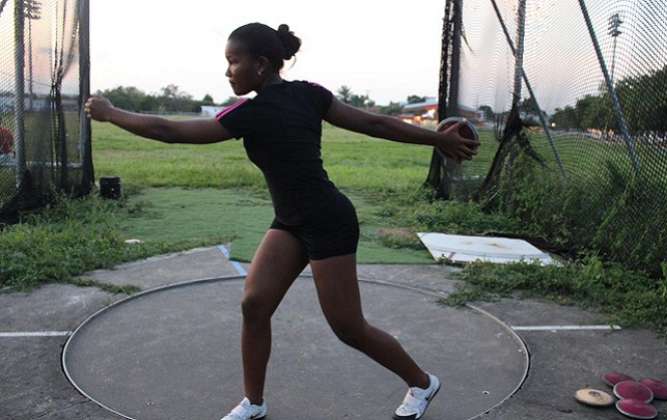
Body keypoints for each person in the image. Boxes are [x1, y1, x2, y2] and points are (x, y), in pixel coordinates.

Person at [85, 22, 479, 420]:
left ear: (260, 64)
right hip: (290, 222)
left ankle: (423, 383)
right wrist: (437, 139)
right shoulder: (298, 97)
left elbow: (167, 131)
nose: (227, 72)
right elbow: (374, 124)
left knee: (348, 328)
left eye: (233, 62)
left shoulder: (275, 105)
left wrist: (111, 113)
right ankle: (253, 404)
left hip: (328, 220)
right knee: (255, 305)